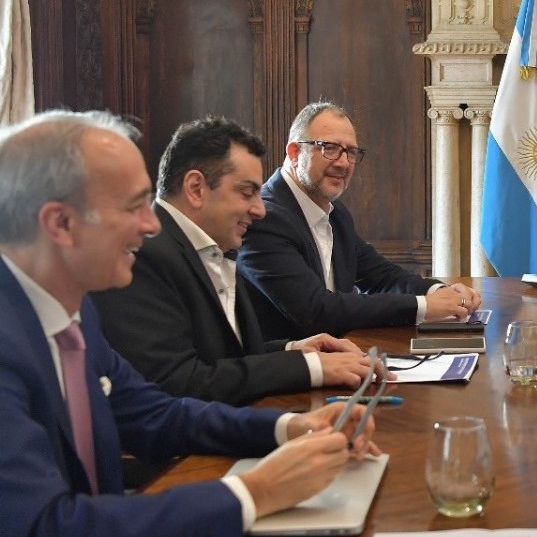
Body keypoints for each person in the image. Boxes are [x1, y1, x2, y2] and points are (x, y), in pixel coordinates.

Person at [0, 110, 379, 535]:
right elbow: (42, 525)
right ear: (61, 224)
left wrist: (290, 427)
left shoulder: (74, 312)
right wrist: (256, 491)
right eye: (133, 207)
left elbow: (158, 416)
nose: (150, 224)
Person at [90, 117, 386, 406]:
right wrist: (311, 369)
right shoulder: (144, 255)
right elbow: (178, 383)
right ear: (196, 188)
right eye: (247, 193)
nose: (259, 210)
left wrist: (296, 349)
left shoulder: (213, 244)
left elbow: (224, 355)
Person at [238, 102, 481, 339]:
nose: (343, 162)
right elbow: (315, 310)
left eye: (351, 152)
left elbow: (380, 276)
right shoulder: (264, 218)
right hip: (290, 371)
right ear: (294, 153)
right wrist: (424, 306)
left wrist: (439, 292)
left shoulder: (335, 213)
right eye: (329, 148)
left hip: (344, 356)